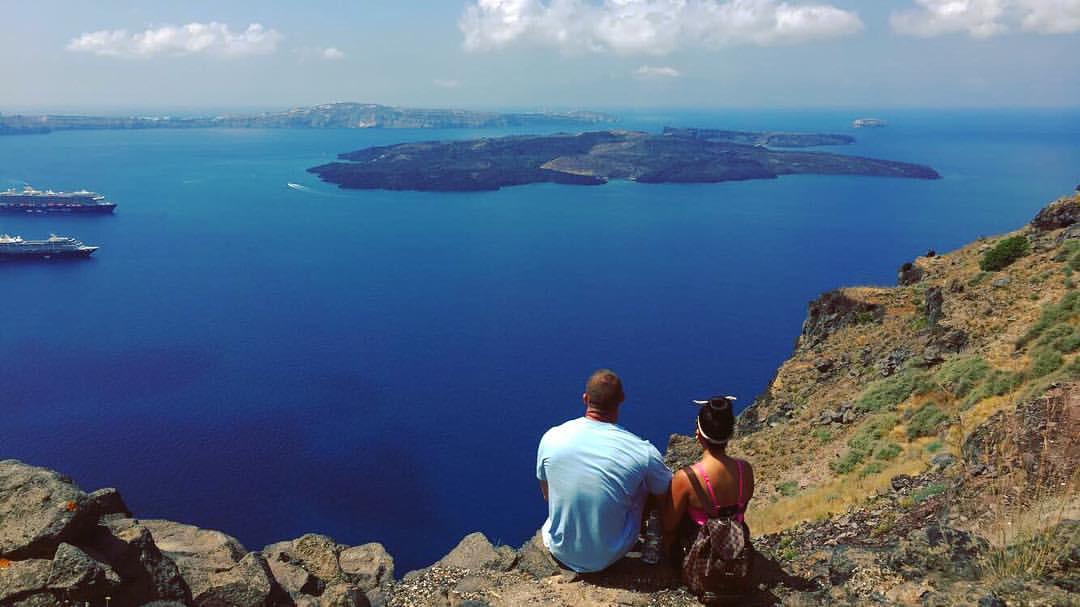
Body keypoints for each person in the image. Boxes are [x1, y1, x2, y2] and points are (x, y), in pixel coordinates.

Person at [536, 369, 673, 573]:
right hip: (610, 554)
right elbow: (666, 495)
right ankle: (652, 540)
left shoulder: (551, 437)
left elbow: (547, 495)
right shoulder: (641, 450)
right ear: (622, 399)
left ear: (585, 398)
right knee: (649, 480)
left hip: (559, 548)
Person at [661, 396, 755, 576]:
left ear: (698, 433)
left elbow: (668, 525)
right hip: (735, 553)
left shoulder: (686, 478)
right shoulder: (745, 471)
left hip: (701, 563)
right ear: (730, 433)